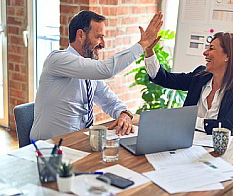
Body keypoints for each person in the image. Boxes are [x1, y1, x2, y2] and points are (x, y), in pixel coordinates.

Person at [30, 10, 163, 140]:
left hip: (78, 142)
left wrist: (124, 113)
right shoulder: (58, 59)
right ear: (81, 35)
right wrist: (143, 44)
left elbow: (109, 101)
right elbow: (106, 70)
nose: (103, 44)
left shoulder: (88, 69)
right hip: (48, 148)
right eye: (99, 37)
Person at [144, 32, 233, 139]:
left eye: (211, 48)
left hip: (220, 151)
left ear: (227, 56)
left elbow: (227, 126)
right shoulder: (200, 76)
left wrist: (188, 120)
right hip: (187, 143)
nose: (205, 53)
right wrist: (149, 51)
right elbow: (164, 78)